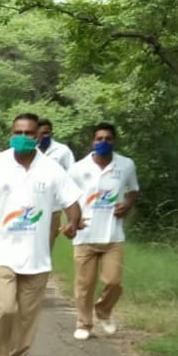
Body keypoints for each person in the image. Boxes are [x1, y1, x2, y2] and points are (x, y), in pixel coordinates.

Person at [0, 112, 82, 356]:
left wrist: (73, 223)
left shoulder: (52, 169)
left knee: (27, 317)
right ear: (11, 134)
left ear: (38, 137)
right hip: (3, 250)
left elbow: (72, 201)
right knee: (5, 309)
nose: (23, 138)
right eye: (18, 132)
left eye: (30, 133)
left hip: (37, 255)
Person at [68, 122, 139, 339]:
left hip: (113, 236)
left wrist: (126, 205)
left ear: (114, 141)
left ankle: (104, 311)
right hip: (85, 235)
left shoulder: (126, 165)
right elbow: (68, 198)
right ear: (92, 141)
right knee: (84, 285)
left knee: (113, 282)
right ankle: (83, 323)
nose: (103, 142)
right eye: (99, 139)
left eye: (108, 139)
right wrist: (73, 221)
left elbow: (133, 191)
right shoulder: (78, 168)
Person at [36, 119, 75, 245]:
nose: (44, 136)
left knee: (47, 244)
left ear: (52, 133)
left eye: (47, 133)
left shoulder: (62, 150)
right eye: (41, 133)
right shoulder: (31, 150)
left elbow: (72, 175)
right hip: (32, 204)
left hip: (53, 207)